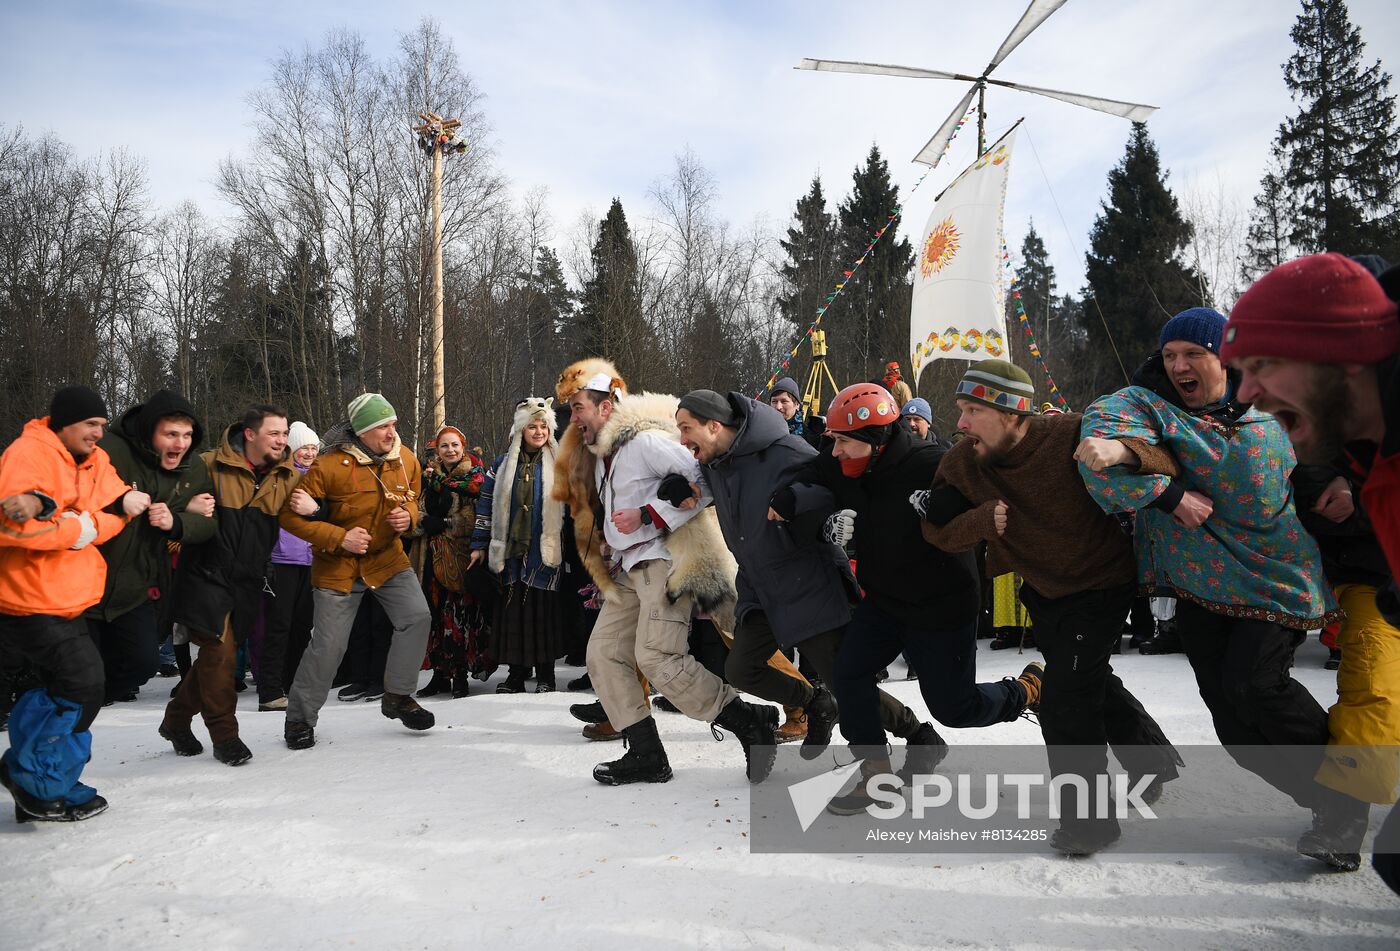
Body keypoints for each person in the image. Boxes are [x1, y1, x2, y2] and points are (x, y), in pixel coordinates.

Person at [1078, 305, 1363, 870]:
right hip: (1201, 585)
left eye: (1194, 354)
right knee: (1231, 723)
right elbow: (1103, 437)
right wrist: (1132, 461)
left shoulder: (1273, 406)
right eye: (1170, 355)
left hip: (1278, 578)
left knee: (1254, 688)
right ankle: (1323, 803)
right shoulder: (1149, 406)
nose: (1180, 365)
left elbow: (1328, 454)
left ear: (1224, 358)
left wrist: (1344, 483)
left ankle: (1345, 805)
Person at [919, 359, 1181, 855]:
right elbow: (935, 528)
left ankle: (1089, 824)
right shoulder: (962, 461)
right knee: (1085, 677)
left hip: (1103, 583)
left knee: (1065, 696)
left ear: (1015, 413)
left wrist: (1121, 449)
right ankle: (1152, 760)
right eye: (960, 409)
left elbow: (1166, 460)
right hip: (1044, 590)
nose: (961, 423)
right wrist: (980, 521)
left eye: (974, 410)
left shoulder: (1071, 434)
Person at [770, 381, 1043, 814]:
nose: (835, 451)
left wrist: (944, 502)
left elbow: (987, 490)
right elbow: (810, 473)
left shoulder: (929, 461)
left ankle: (1026, 690)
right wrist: (791, 500)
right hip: (884, 602)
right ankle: (875, 776)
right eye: (833, 442)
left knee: (955, 708)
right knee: (849, 675)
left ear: (875, 442)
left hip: (942, 605)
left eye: (843, 442)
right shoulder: (844, 462)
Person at [1220, 251, 1400, 888]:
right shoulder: (1363, 452)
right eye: (1239, 372)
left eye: (1263, 365)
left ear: (1343, 354)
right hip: (1351, 581)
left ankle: (1347, 808)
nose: (1244, 394)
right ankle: (1344, 808)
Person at [671, 389, 955, 775]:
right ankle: (815, 701)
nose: (682, 438)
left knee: (846, 682)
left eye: (686, 429)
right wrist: (681, 490)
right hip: (760, 585)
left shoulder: (783, 449)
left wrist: (798, 500)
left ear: (714, 425)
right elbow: (707, 490)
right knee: (741, 668)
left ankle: (920, 736)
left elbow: (831, 479)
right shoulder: (716, 464)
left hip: (807, 581)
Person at [558, 364, 776, 785]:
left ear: (606, 407)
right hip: (629, 570)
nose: (573, 419)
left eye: (578, 408)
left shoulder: (645, 442)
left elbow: (706, 481)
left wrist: (649, 512)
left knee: (657, 658)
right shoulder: (607, 455)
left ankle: (750, 722)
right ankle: (646, 753)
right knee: (603, 654)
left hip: (665, 562)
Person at [0, 386, 149, 821]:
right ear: (65, 422)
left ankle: (46, 780)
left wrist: (119, 504)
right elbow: (13, 527)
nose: (99, 434)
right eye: (91, 425)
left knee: (65, 688)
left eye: (103, 425)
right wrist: (81, 528)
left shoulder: (93, 459)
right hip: (29, 599)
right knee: (83, 686)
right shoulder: (30, 454)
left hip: (67, 598)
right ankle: (33, 777)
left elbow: (112, 499)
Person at [279, 393, 434, 749]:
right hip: (339, 566)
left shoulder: (404, 458)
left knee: (417, 616)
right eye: (383, 426)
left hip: (387, 558)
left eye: (393, 424)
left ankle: (397, 696)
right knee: (329, 646)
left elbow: (412, 496)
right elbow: (289, 517)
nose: (391, 432)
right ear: (362, 431)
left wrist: (408, 516)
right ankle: (300, 719)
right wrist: (339, 537)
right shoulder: (328, 466)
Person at [159, 405, 299, 767]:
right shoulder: (207, 464)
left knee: (213, 659)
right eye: (274, 433)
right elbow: (163, 491)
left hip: (249, 582)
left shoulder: (286, 476)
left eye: (284, 434)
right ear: (250, 434)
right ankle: (225, 735)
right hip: (204, 576)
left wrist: (317, 510)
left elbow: (315, 511)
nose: (282, 440)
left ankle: (175, 721)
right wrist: (185, 505)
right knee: (220, 653)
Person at [85, 390, 217, 705]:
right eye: (170, 434)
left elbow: (209, 521)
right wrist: (136, 505)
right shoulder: (110, 451)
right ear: (149, 432)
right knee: (75, 670)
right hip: (86, 582)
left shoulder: (193, 467)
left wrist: (177, 522)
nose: (180, 443)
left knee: (143, 663)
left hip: (136, 585)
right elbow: (81, 498)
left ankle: (93, 696)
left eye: (186, 435)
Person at [470, 398, 569, 694]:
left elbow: (577, 507)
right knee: (512, 611)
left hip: (545, 551)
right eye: (532, 427)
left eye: (543, 426)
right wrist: (479, 544)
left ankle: (546, 676)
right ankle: (515, 675)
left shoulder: (561, 463)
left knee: (543, 611)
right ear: (520, 430)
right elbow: (485, 506)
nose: (538, 432)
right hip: (510, 552)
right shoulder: (501, 465)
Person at [410, 423, 489, 698]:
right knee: (435, 615)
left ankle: (460, 675)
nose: (450, 449)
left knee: (458, 616)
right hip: (432, 556)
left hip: (461, 556)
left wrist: (445, 522)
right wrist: (423, 522)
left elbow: (476, 516)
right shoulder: (429, 478)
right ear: (437, 451)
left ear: (463, 447)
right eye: (444, 445)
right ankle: (440, 674)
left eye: (454, 445)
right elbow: (417, 509)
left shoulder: (474, 478)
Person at [255, 420, 319, 711]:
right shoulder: (281, 476)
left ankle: (293, 683)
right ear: (291, 449)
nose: (308, 453)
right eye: (303, 448)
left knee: (304, 625)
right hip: (282, 560)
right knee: (279, 625)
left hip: (312, 559)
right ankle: (269, 689)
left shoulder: (319, 477)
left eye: (313, 448)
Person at [767, 376, 824, 448]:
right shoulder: (761, 432)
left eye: (784, 401)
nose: (778, 407)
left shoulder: (812, 439)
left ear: (797, 404)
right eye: (774, 401)